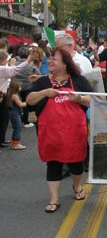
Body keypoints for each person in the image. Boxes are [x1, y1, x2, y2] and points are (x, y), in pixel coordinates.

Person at [26, 48, 93, 213]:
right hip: (51, 132)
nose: (49, 61)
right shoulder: (42, 82)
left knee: (76, 163)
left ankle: (77, 187)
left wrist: (79, 98)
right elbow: (29, 100)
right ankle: (54, 199)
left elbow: (92, 100)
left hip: (74, 131)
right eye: (49, 59)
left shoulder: (78, 80)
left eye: (53, 59)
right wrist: (44, 92)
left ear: (65, 63)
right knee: (53, 163)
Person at [0, 50, 38, 147]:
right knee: (3, 119)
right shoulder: (2, 69)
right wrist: (28, 61)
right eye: (6, 61)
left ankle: (2, 139)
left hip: (3, 95)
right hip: (2, 95)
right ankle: (6, 141)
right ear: (2, 60)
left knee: (4, 119)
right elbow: (15, 70)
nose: (7, 63)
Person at [6, 80, 27, 150]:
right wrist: (28, 103)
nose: (20, 88)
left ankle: (13, 142)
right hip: (15, 113)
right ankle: (15, 144)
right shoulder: (15, 95)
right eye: (19, 87)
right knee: (17, 128)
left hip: (12, 113)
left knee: (16, 127)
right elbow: (20, 104)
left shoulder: (9, 94)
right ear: (15, 88)